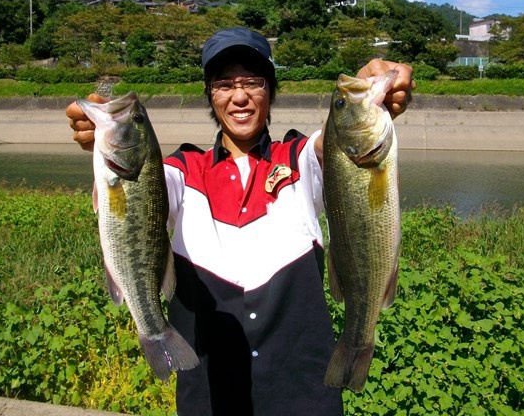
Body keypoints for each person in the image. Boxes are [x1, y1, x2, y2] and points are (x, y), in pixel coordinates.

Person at [66, 27, 414, 416]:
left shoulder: (299, 158)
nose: (239, 96)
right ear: (210, 96)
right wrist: (100, 138)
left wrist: (372, 86)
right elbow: (139, 186)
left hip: (302, 393)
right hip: (210, 397)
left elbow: (333, 144)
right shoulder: (181, 172)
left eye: (253, 82)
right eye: (224, 84)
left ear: (270, 92)